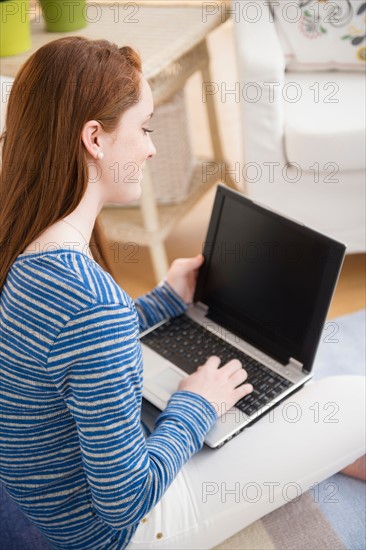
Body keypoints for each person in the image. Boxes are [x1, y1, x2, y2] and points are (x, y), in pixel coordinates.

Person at [0, 37, 364, 550]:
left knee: (266, 406)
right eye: (144, 128)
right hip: (117, 535)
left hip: (45, 506)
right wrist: (196, 404)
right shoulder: (92, 302)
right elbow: (127, 500)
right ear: (95, 139)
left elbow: (76, 351)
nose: (151, 147)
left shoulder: (24, 251)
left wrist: (164, 300)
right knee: (356, 400)